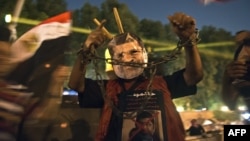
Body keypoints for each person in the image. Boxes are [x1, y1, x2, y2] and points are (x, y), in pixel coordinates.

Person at [68, 12, 203, 141]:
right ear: (113, 61)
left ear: (144, 54)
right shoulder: (107, 89)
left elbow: (194, 76)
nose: (127, 59)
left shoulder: (162, 83)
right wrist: (85, 51)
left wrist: (188, 41)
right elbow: (75, 84)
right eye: (120, 55)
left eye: (133, 52)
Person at [221, 30, 250, 124]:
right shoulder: (240, 72)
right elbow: (230, 103)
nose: (242, 49)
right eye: (238, 44)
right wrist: (227, 78)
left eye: (247, 43)